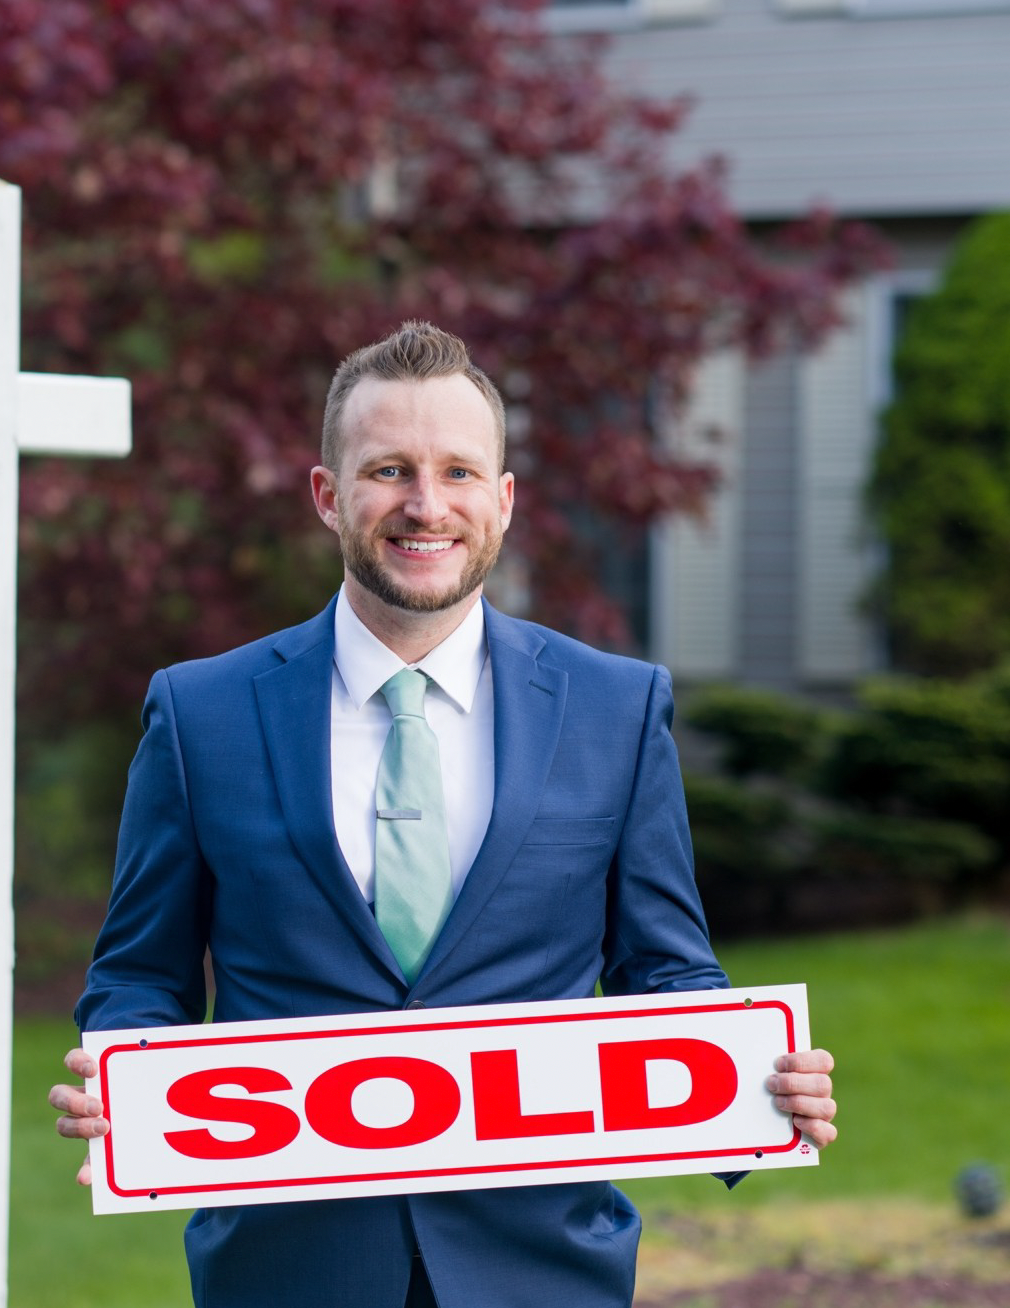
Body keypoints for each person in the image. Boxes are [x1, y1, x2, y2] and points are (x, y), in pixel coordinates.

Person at [49, 322, 837, 1308]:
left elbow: (662, 969)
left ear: (501, 503)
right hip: (288, 1267)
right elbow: (136, 972)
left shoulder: (614, 709)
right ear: (328, 496)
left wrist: (757, 1091)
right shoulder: (201, 714)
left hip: (541, 1267)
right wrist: (122, 1079)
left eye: (459, 472)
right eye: (387, 469)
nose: (425, 505)